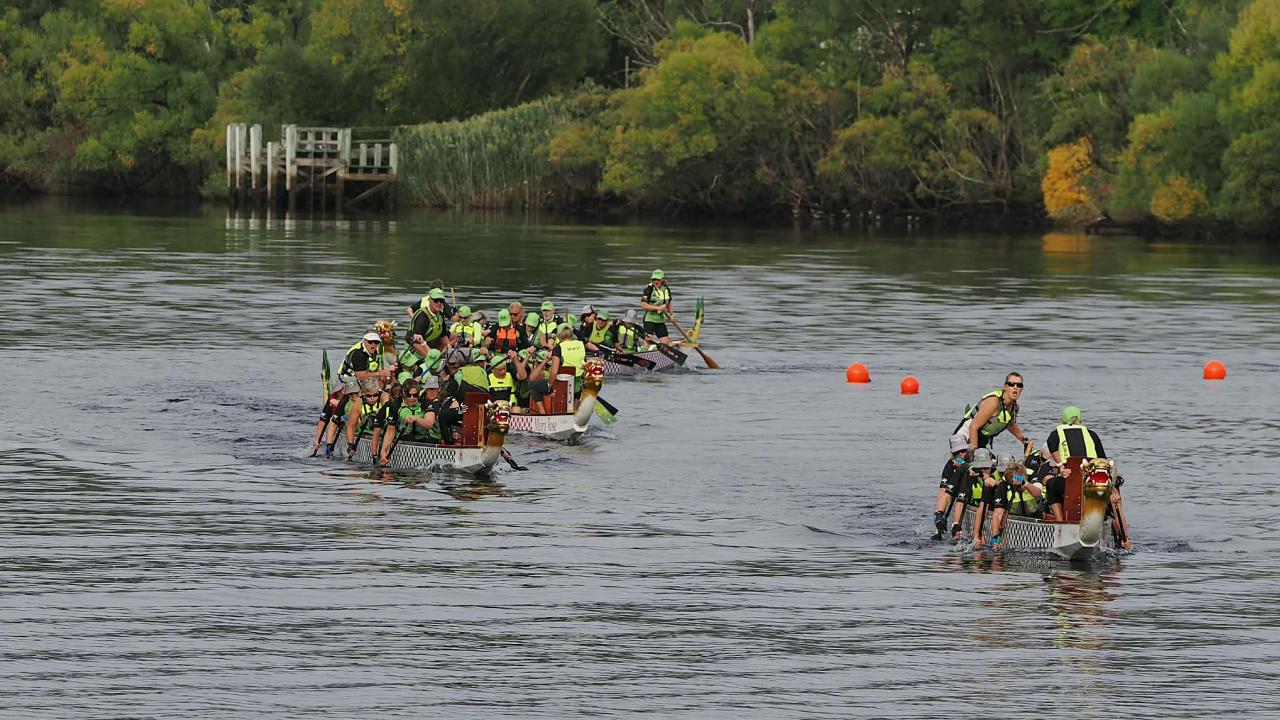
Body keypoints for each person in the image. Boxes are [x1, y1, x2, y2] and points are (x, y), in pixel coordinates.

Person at [1043, 405, 1131, 549]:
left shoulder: (1057, 432)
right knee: (1114, 500)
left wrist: (1061, 466)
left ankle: (1060, 525)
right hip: (1093, 480)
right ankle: (1124, 539)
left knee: (1051, 486)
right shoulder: (1091, 434)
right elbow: (1103, 459)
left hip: (1069, 481)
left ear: (1063, 420)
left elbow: (1052, 446)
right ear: (1080, 420)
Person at [952, 372, 1034, 456]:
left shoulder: (1014, 407)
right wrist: (974, 453)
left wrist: (1024, 441)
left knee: (995, 466)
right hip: (963, 439)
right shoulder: (993, 403)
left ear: (1022, 389)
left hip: (980, 441)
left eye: (1019, 385)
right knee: (980, 466)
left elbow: (1010, 424)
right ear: (1005, 387)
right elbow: (973, 427)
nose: (1015, 387)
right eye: (1011, 384)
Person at [339, 331, 393, 450]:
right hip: (349, 377)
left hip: (364, 377)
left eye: (376, 342)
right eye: (370, 342)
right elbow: (361, 375)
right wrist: (380, 373)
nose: (373, 344)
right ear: (364, 342)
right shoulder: (358, 353)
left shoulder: (376, 351)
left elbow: (375, 369)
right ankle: (341, 414)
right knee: (361, 392)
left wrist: (385, 376)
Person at [932, 434, 970, 538]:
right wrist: (938, 514)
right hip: (958, 493)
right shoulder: (950, 465)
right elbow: (943, 492)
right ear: (953, 453)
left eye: (963, 451)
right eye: (957, 452)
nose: (961, 454)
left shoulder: (974, 459)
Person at [404, 288, 449, 355]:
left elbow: (443, 336)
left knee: (453, 337)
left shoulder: (440, 315)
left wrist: (449, 347)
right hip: (415, 349)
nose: (439, 303)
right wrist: (430, 356)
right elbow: (416, 341)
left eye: (441, 301)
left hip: (429, 345)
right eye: (436, 300)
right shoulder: (422, 317)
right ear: (429, 300)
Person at [549, 322, 587, 398]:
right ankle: (576, 407)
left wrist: (549, 386)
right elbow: (584, 364)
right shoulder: (581, 344)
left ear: (558, 335)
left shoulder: (558, 348)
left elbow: (554, 372)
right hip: (577, 385)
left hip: (563, 385)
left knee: (535, 386)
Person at [640, 268, 674, 343]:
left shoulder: (666, 289)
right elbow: (643, 305)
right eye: (654, 279)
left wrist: (672, 314)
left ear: (662, 279)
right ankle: (643, 352)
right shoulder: (649, 289)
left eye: (658, 279)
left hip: (660, 319)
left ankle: (664, 353)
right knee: (648, 340)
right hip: (649, 319)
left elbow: (669, 303)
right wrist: (657, 308)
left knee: (665, 342)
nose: (655, 281)